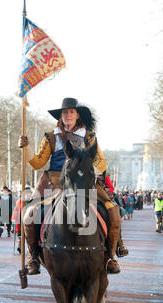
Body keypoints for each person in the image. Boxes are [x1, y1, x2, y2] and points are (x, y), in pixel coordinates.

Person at [18, 97, 128, 275]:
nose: (68, 115)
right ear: (60, 116)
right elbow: (37, 163)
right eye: (64, 112)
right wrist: (27, 148)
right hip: (53, 181)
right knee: (29, 214)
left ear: (77, 115)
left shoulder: (89, 136)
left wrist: (85, 171)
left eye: (71, 112)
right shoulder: (51, 137)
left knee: (113, 210)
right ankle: (33, 256)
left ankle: (111, 255)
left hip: (83, 180)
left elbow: (101, 162)